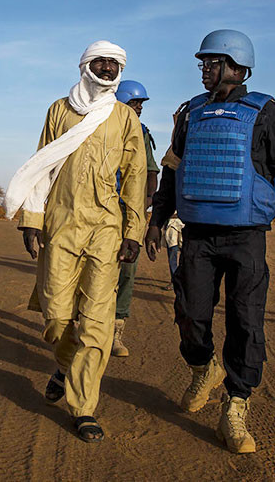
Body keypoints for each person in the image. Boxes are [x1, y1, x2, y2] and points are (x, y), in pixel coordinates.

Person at [144, 29, 275, 455]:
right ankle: (203, 366)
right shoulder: (190, 113)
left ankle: (236, 402)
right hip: (197, 234)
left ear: (236, 66)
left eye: (212, 63)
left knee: (246, 322)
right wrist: (157, 219)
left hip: (246, 237)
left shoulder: (265, 112)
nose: (204, 70)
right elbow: (173, 172)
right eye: (202, 63)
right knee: (191, 315)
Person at [5, 41, 146, 443]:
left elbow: (135, 177)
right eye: (100, 62)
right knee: (55, 313)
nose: (107, 68)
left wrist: (133, 231)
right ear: (86, 66)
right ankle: (66, 365)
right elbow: (41, 165)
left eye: (114, 63)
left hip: (105, 227)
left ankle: (83, 407)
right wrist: (32, 220)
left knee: (98, 323)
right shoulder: (60, 110)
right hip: (60, 223)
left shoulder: (123, 118)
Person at [110, 79, 159, 358]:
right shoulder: (100, 125)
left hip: (130, 211)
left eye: (141, 103)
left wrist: (146, 202)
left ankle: (117, 329)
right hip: (100, 209)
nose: (139, 108)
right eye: (134, 102)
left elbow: (151, 172)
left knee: (127, 268)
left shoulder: (141, 132)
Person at [163, 212, 184, 289]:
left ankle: (184, 279)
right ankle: (174, 281)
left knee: (186, 256)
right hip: (171, 227)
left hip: (185, 225)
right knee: (172, 256)